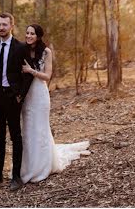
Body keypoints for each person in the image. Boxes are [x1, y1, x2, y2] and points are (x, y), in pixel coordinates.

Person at [20, 24, 90, 183]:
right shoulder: (23, 50)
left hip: (40, 94)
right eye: (27, 33)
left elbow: (47, 76)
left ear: (38, 36)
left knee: (40, 128)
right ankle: (28, 166)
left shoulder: (46, 52)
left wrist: (31, 70)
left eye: (32, 33)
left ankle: (43, 166)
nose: (29, 36)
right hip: (26, 95)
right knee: (29, 130)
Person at [0, 13, 32, 191]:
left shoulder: (20, 47)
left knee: (15, 136)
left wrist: (21, 95)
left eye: (4, 24)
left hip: (12, 97)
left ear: (11, 25)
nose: (1, 27)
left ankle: (16, 177)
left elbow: (28, 74)